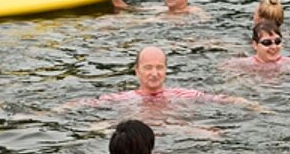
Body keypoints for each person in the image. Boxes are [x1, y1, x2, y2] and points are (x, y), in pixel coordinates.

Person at [79, 46, 264, 110]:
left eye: (159, 67)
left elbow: (217, 99)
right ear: (137, 71)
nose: (154, 73)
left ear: (166, 70)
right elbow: (88, 103)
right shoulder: (123, 98)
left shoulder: (182, 94)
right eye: (148, 67)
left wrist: (251, 105)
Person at [222, 20, 290, 73]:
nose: (274, 47)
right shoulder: (243, 64)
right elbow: (224, 69)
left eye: (278, 41)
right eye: (267, 43)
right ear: (255, 45)